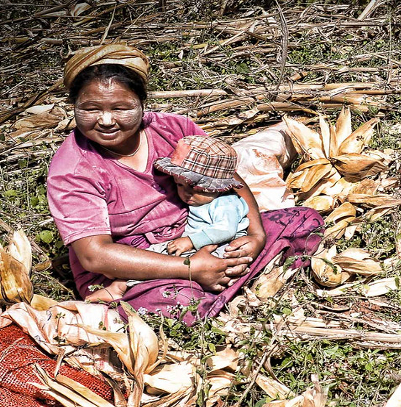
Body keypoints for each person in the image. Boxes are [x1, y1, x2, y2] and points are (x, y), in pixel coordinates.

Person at [47, 43, 322, 322]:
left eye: (121, 108)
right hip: (132, 264)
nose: (106, 120)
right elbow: (96, 256)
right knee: (181, 302)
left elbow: (229, 179)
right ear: (74, 106)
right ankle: (217, 285)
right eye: (90, 108)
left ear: (142, 104)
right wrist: (190, 267)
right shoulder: (72, 170)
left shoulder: (174, 130)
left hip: (203, 233)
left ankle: (218, 284)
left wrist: (255, 235)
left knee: (305, 222)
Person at [86, 135, 251, 302]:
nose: (186, 193)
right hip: (193, 242)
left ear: (219, 187)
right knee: (154, 255)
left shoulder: (225, 203)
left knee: (175, 266)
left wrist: (191, 241)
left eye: (195, 187)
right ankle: (118, 274)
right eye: (179, 185)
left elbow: (226, 229)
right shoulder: (206, 199)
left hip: (218, 246)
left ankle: (120, 286)